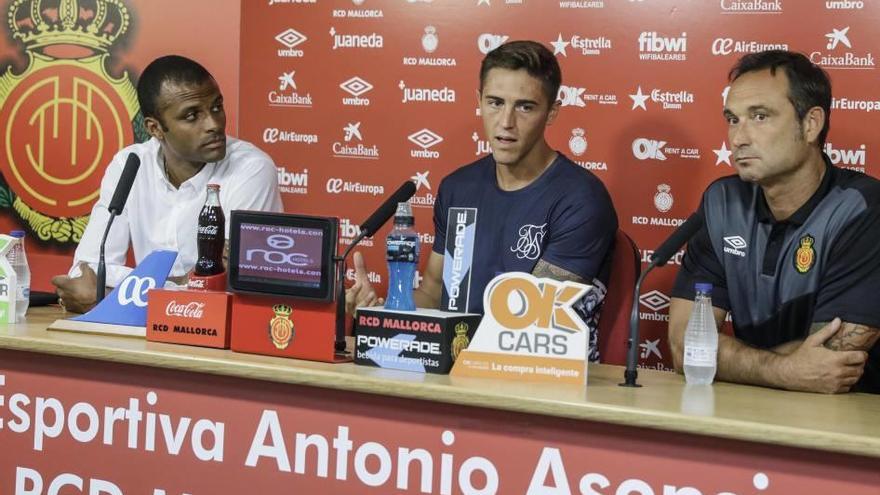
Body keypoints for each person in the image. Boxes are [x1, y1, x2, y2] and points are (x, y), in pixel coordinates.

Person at [347, 40, 618, 360]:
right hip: (456, 365)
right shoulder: (458, 188)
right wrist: (381, 313)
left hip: (540, 378)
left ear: (552, 112)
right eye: (495, 102)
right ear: (478, 102)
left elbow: (531, 323)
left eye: (525, 107)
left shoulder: (581, 200)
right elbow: (433, 296)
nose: (506, 122)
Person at [669, 50, 880, 393]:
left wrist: (732, 360)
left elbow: (831, 361)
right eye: (733, 119)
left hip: (853, 423)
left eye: (760, 116)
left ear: (811, 123)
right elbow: (684, 346)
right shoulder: (723, 202)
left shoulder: (863, 208)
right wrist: (782, 370)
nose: (738, 138)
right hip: (753, 412)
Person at [52, 55, 283, 313]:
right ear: (155, 128)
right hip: (140, 338)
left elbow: (224, 286)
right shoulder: (129, 165)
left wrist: (112, 298)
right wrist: (181, 284)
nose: (213, 124)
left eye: (217, 107)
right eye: (192, 115)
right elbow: (86, 272)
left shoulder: (251, 169)